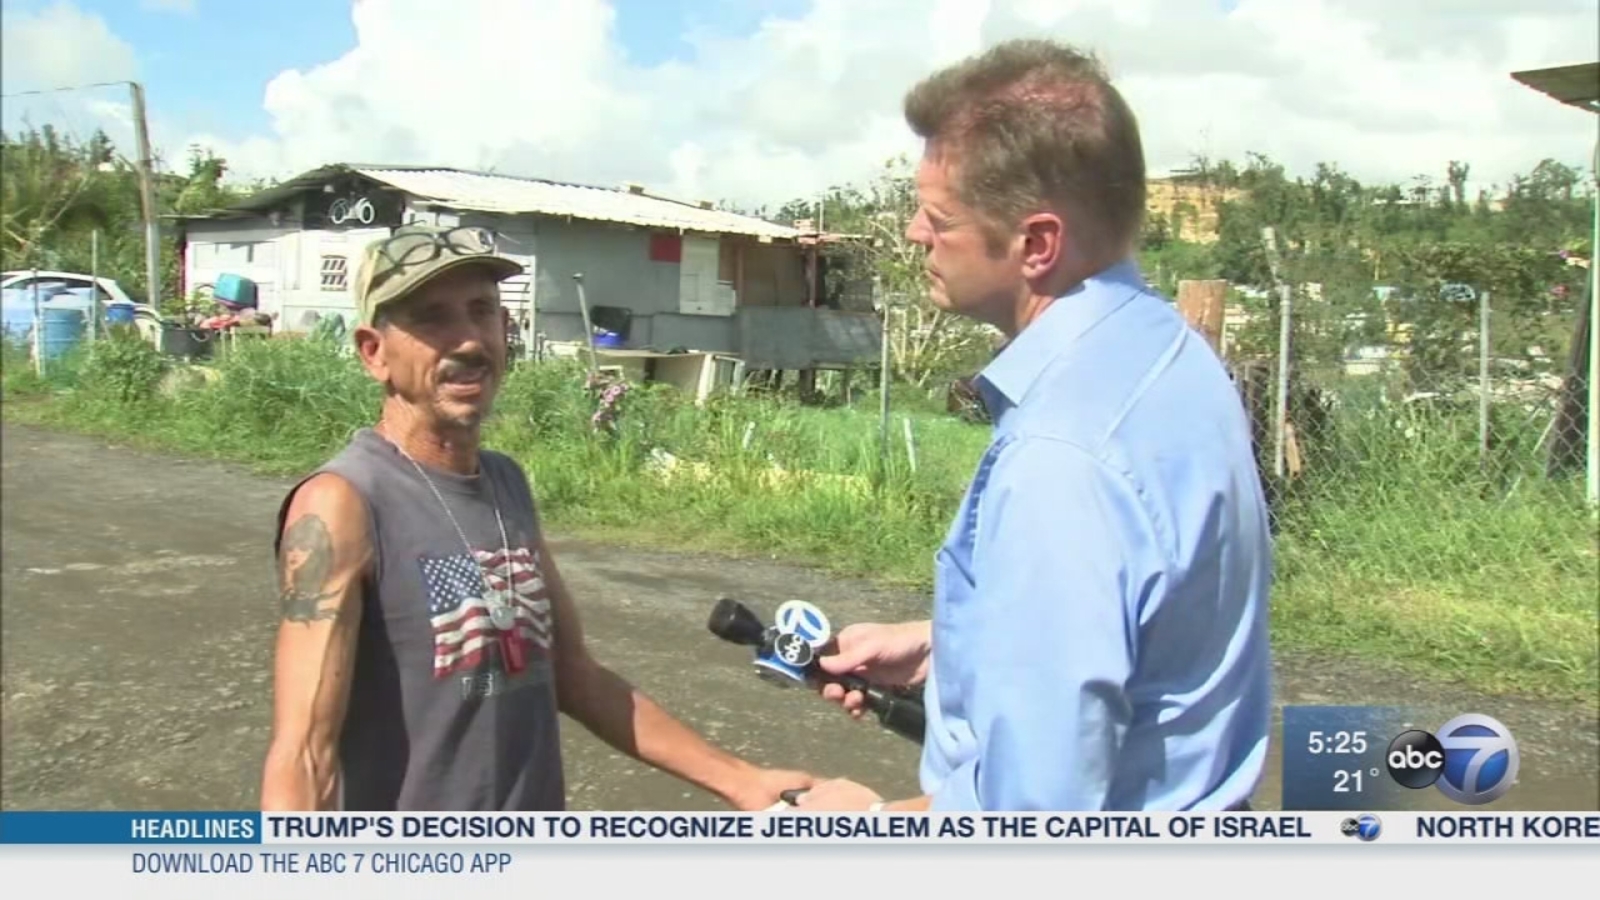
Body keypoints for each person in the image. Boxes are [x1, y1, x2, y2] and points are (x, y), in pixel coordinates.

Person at [794, 39, 1273, 812]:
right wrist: (950, 651)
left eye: (938, 216)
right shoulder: (1170, 357)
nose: (916, 234)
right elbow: (1140, 632)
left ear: (1038, 245)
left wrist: (873, 829)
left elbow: (1037, 821)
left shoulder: (1061, 454)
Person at [260, 223, 813, 811]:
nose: (469, 340)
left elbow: (573, 675)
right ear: (375, 352)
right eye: (433, 318)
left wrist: (741, 781)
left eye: (482, 311)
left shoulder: (504, 484)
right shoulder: (343, 502)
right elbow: (304, 752)